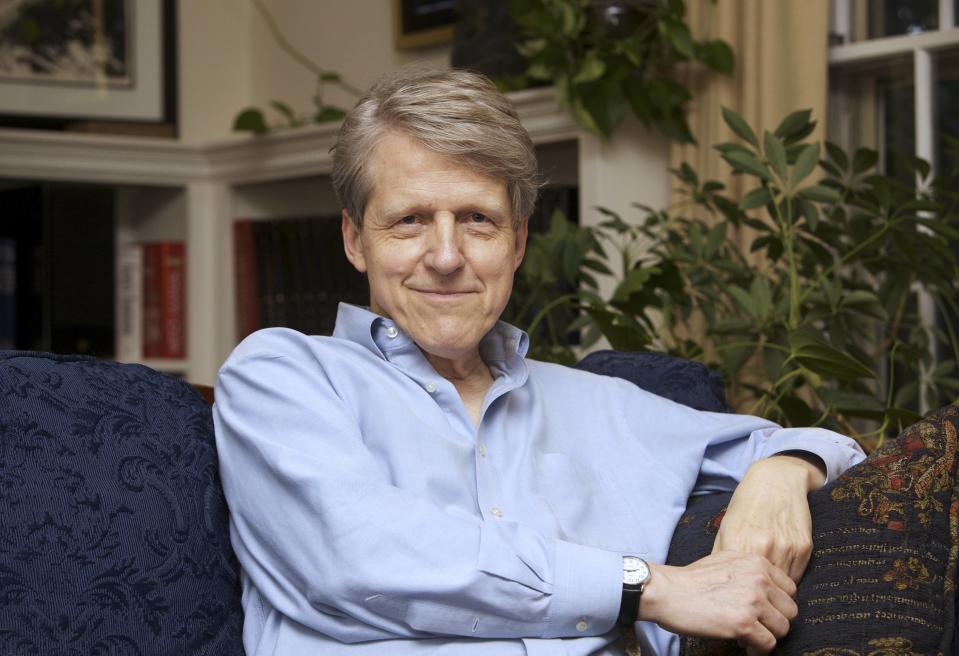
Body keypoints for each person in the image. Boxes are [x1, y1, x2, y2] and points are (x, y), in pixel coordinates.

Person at [213, 68, 865, 656]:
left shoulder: (601, 403)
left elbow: (824, 449)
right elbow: (358, 555)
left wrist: (780, 473)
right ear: (356, 239)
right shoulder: (281, 377)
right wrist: (646, 588)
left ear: (518, 242)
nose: (445, 256)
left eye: (477, 220)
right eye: (410, 220)